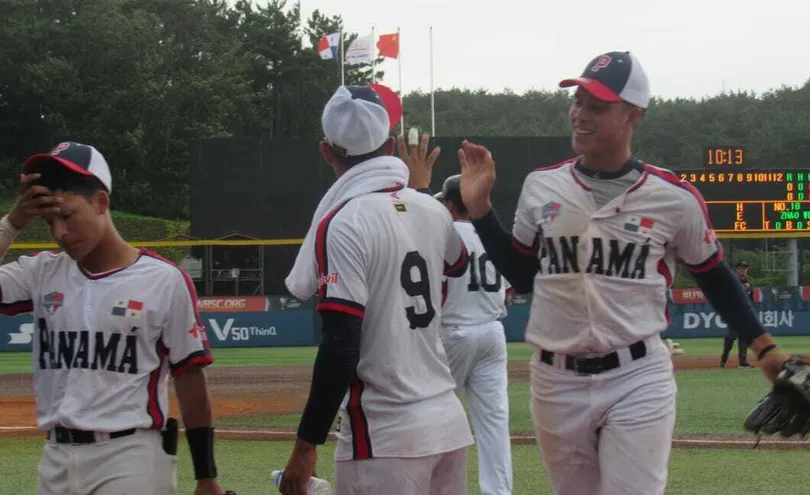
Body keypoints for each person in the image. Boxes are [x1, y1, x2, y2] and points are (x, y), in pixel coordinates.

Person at [455, 51, 802, 495]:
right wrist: (481, 210)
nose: (580, 114)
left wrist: (764, 348)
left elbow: (713, 274)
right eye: (578, 101)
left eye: (598, 106)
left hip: (636, 376)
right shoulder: (542, 185)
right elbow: (523, 277)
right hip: (555, 381)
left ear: (634, 115)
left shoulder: (673, 198)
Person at [0, 142, 232, 495]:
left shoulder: (162, 279)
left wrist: (206, 475)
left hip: (129, 455)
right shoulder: (41, 272)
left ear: (100, 202)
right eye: (49, 222)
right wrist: (12, 223)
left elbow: (189, 378)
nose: (60, 233)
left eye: (67, 216)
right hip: (55, 458)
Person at [279, 85, 473, 495]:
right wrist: (417, 196)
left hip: (384, 434)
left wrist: (306, 445)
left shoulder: (344, 223)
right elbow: (457, 263)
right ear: (389, 146)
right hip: (447, 423)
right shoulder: (432, 208)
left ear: (326, 152)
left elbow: (341, 345)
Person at [433, 174, 514, 495]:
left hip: (454, 332)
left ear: (450, 205)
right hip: (493, 333)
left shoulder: (444, 236)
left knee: (434, 413)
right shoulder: (494, 234)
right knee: (494, 422)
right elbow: (507, 290)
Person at [720, 261, 754, 368]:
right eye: (741, 268)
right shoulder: (732, 280)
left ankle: (743, 362)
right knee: (730, 338)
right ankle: (723, 360)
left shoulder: (748, 283)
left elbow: (751, 300)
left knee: (744, 339)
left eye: (745, 269)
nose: (743, 270)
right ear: (737, 270)